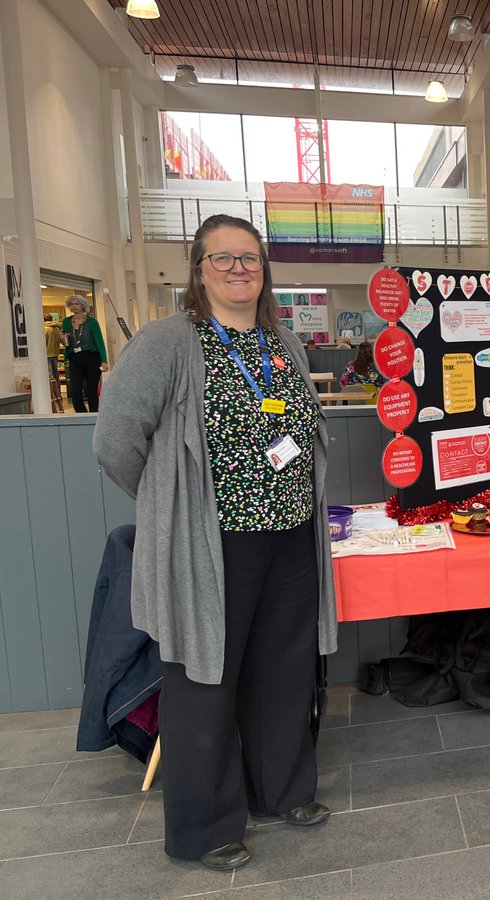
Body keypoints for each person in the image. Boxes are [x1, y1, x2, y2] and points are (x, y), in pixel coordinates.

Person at [93, 214, 337, 871]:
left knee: (283, 671)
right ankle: (205, 827)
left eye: (250, 259)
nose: (239, 270)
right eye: (223, 259)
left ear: (264, 270)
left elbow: (298, 429)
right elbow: (115, 439)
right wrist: (170, 504)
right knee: (204, 679)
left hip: (289, 536)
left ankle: (282, 791)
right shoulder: (168, 343)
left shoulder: (282, 341)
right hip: (211, 545)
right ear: (199, 270)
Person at [61, 294, 107, 411]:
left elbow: (99, 341)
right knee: (75, 391)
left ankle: (94, 415)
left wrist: (104, 360)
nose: (74, 306)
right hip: (74, 357)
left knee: (91, 390)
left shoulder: (92, 322)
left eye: (77, 304)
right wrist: (63, 339)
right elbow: (66, 342)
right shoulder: (66, 322)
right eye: (71, 304)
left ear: (83, 306)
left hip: (91, 356)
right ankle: (82, 415)